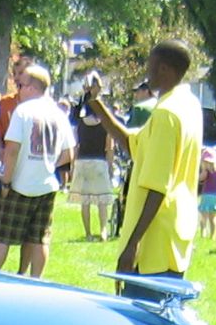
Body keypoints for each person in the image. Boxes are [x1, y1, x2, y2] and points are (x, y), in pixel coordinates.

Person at [85, 39, 202, 298]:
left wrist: (132, 245)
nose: (147, 71)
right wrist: (96, 103)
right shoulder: (188, 104)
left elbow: (158, 187)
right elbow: (131, 144)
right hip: (174, 233)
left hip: (153, 243)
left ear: (163, 68)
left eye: (150, 64)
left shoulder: (166, 114)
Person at [0, 64, 74, 277]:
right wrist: (47, 164)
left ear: (32, 87)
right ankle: (36, 280)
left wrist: (6, 182)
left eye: (21, 85)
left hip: (20, 184)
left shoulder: (22, 111)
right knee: (40, 238)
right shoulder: (59, 114)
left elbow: (11, 150)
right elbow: (69, 154)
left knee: (3, 237)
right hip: (47, 185)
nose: (18, 89)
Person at [70, 77, 117, 239]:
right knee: (102, 199)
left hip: (82, 161)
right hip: (99, 161)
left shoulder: (80, 122)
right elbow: (109, 147)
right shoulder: (105, 123)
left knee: (85, 201)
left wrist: (72, 166)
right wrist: (111, 166)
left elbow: (76, 145)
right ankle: (103, 230)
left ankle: (88, 233)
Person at [197, 147, 216, 240]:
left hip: (207, 195)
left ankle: (203, 233)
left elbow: (200, 179)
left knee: (203, 215)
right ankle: (213, 236)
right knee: (213, 218)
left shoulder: (207, 171)